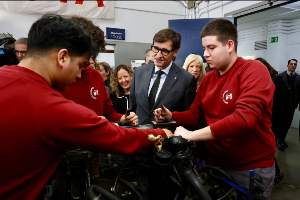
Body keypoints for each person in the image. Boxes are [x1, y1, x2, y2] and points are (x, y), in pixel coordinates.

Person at [0, 14, 172, 200]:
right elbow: (118, 138)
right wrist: (162, 134)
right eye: (81, 65)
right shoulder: (45, 104)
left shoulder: (6, 77)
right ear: (63, 57)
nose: (80, 74)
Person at [154, 19, 276, 199]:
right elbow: (195, 115)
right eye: (204, 48)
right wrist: (171, 115)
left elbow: (244, 119)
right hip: (216, 166)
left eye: (211, 48)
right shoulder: (208, 80)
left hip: (249, 168)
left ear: (229, 45)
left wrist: (190, 135)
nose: (205, 54)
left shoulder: (253, 70)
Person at [59, 16, 138, 126]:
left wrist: (123, 118)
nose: (91, 61)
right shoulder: (55, 79)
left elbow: (109, 112)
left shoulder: (95, 76)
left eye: (93, 56)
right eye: (88, 56)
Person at [130, 28, 196, 125]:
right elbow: (133, 108)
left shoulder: (186, 79)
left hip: (166, 136)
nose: (158, 55)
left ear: (175, 51)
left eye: (165, 51)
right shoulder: (139, 72)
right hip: (139, 134)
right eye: (156, 49)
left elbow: (189, 117)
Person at [256, 57, 287, 183]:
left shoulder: (276, 79)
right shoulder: (264, 79)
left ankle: (277, 174)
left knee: (268, 149)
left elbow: (276, 100)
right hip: (267, 119)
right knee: (265, 148)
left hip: (274, 120)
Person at [278, 59, 300, 151]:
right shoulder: (280, 76)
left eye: (295, 64)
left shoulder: (298, 78)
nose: (293, 66)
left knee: (287, 123)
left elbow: (299, 92)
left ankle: (282, 139)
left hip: (292, 105)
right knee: (280, 123)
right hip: (282, 105)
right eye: (291, 64)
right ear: (287, 65)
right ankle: (280, 141)